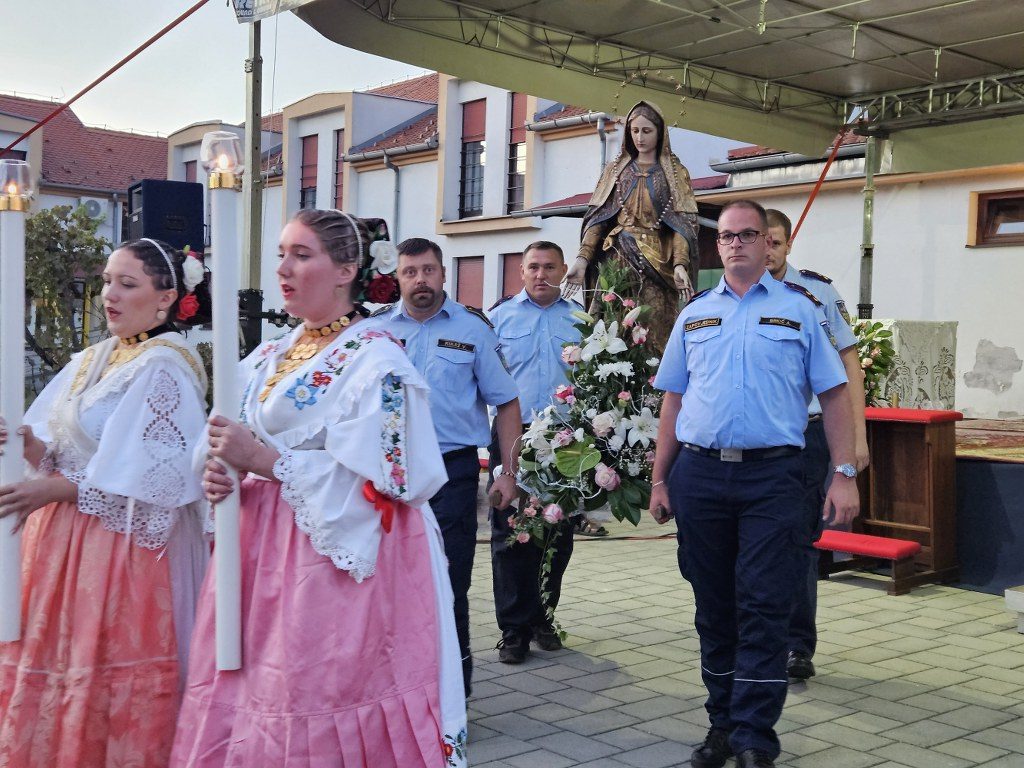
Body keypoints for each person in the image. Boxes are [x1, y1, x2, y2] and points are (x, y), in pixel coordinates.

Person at [170, 211, 467, 767]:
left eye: (302, 255)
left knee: (312, 696)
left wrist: (262, 460)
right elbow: (224, 432)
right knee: (250, 695)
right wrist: (218, 468)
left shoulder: (377, 361)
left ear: (346, 269)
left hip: (335, 564)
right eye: (282, 253)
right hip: (259, 557)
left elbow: (398, 475)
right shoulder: (269, 356)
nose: (283, 269)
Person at [648, 200, 860, 768]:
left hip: (775, 475)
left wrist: (844, 473)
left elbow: (836, 394)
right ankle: (721, 726)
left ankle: (754, 738)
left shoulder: (802, 309)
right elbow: (673, 398)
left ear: (769, 243)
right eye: (727, 237)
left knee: (765, 605)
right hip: (701, 473)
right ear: (717, 247)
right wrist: (660, 478)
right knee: (713, 605)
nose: (737, 244)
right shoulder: (694, 314)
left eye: (749, 235)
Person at [0, 237, 210, 766]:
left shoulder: (167, 366)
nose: (110, 295)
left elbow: (159, 480)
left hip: (125, 550)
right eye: (107, 282)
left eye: (127, 284)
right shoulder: (97, 357)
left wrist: (59, 489)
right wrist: (26, 444)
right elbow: (69, 448)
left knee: (111, 669)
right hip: (65, 541)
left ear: (166, 299)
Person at [369, 238, 521, 697]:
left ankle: (453, 695)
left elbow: (507, 402)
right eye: (411, 271)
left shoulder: (473, 329)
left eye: (429, 270)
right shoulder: (374, 331)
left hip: (449, 474)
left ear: (443, 274)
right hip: (385, 477)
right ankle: (395, 692)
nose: (421, 280)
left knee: (447, 585)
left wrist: (508, 473)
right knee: (386, 588)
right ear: (397, 278)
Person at [764, 208, 870, 682]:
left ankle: (796, 646)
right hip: (753, 439)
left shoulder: (818, 293)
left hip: (806, 436)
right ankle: (755, 637)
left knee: (799, 541)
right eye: (756, 240)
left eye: (774, 242)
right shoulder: (733, 296)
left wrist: (857, 439)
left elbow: (850, 368)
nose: (766, 250)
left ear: (788, 245)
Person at [488, 241, 579, 664]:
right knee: (510, 533)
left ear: (562, 270)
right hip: (513, 434)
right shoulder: (498, 319)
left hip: (565, 438)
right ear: (521, 272)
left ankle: (543, 615)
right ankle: (512, 629)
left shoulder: (581, 320)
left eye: (549, 267)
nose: (541, 274)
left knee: (556, 533)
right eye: (533, 267)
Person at [565, 100, 700, 354]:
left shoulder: (674, 172)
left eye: (647, 131)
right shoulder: (615, 171)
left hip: (658, 263)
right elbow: (598, 218)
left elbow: (683, 224)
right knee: (613, 326)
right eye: (634, 130)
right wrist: (582, 259)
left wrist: (680, 263)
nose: (640, 137)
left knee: (654, 330)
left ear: (660, 133)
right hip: (617, 259)